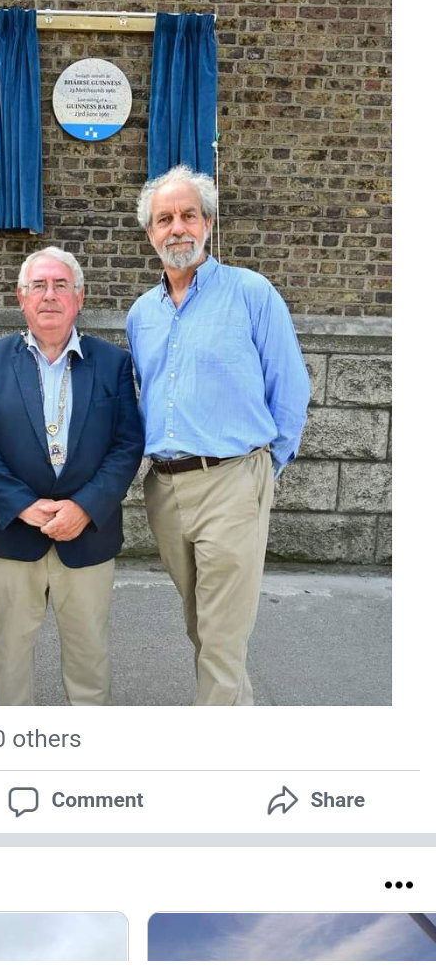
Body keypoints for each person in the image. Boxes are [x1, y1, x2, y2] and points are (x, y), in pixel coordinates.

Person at [127, 166, 311, 706]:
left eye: (188, 215)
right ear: (151, 233)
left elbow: (290, 385)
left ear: (207, 223)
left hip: (233, 479)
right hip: (165, 489)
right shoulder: (143, 314)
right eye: (165, 219)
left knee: (223, 638)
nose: (177, 227)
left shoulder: (251, 293)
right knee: (204, 627)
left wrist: (261, 470)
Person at [0, 246, 144, 706]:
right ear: (21, 298)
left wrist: (85, 507)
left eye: (61, 285)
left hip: (87, 534)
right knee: (10, 658)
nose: (49, 295)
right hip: (11, 533)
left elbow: (127, 444)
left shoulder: (113, 363)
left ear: (79, 298)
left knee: (89, 657)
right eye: (38, 285)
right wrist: (22, 504)